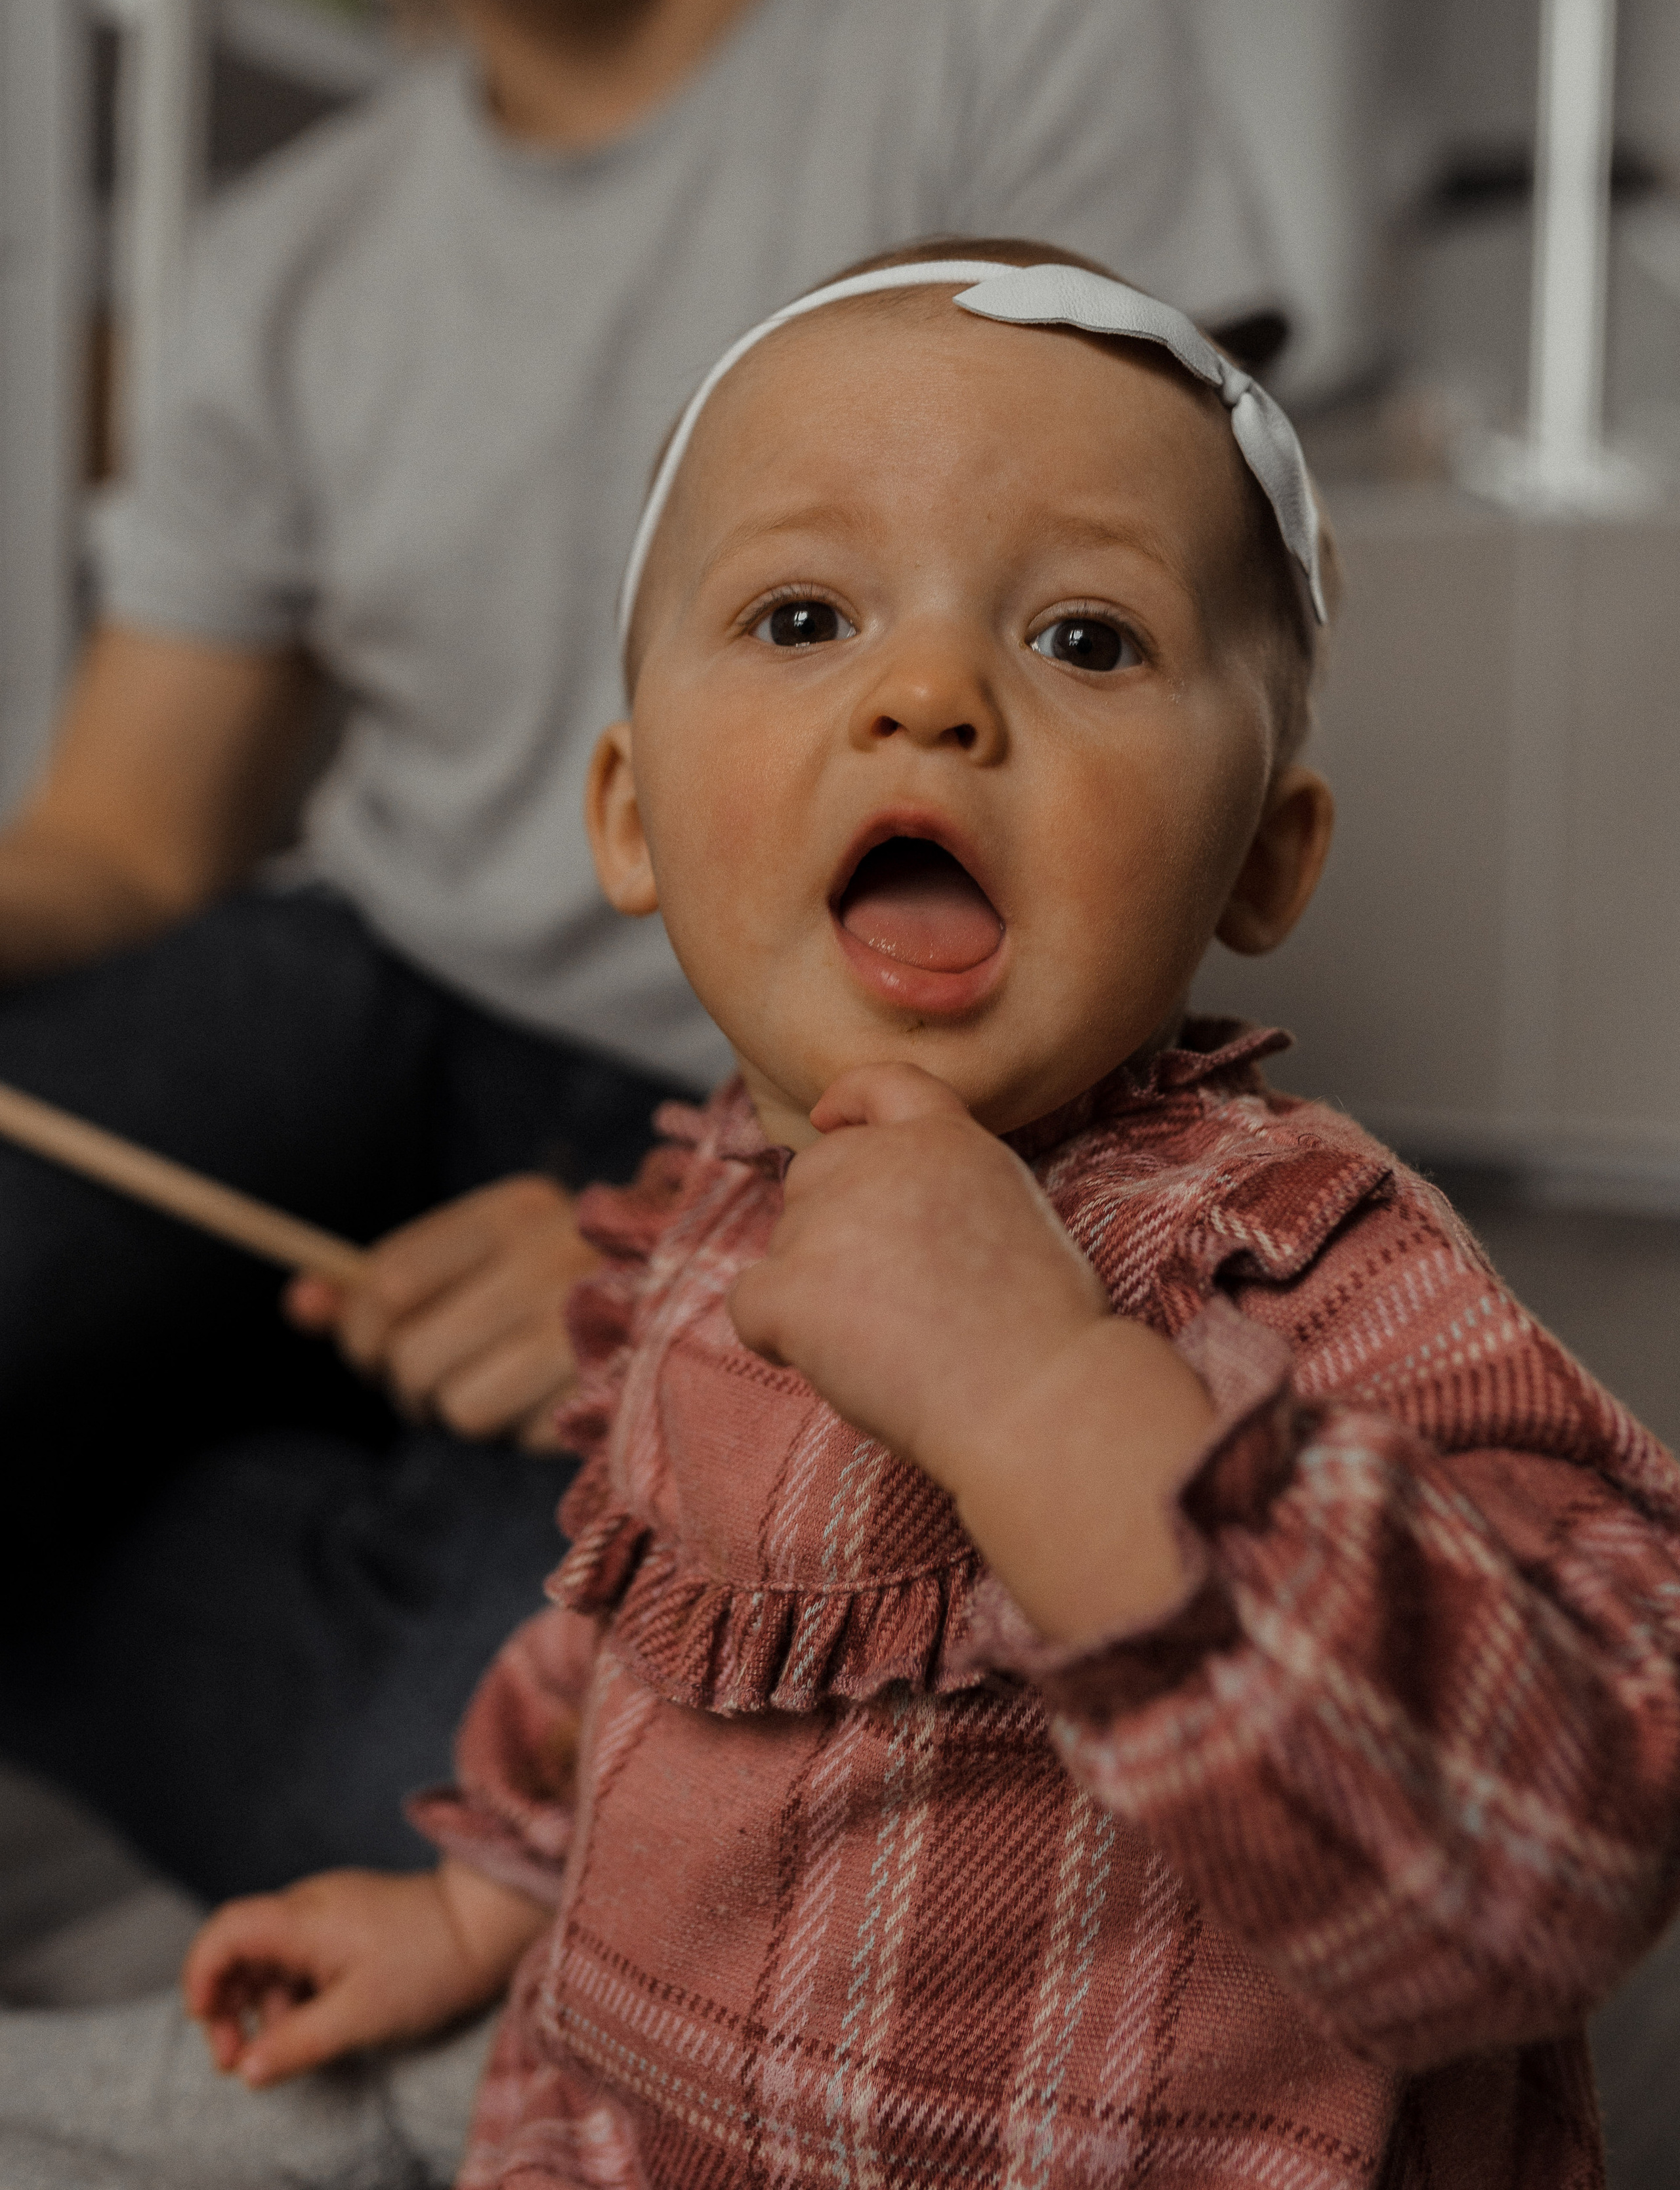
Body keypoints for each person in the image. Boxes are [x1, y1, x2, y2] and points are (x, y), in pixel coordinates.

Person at [3, 238, 1671, 2187]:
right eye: (803, 616)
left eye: (1086, 640)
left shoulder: (1297, 1258)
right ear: (628, 817)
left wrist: (1049, 1400)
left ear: (1267, 851)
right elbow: (632, 1658)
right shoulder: (703, 1213)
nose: (929, 696)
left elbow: (1567, 1846)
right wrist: (471, 1914)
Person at [0, 0, 1278, 1899]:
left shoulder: (1021, 25)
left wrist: (684, 1238)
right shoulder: (278, 264)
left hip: (794, 1074)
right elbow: (124, 839)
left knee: (446, 1773)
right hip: (362, 977)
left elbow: (1157, 720)